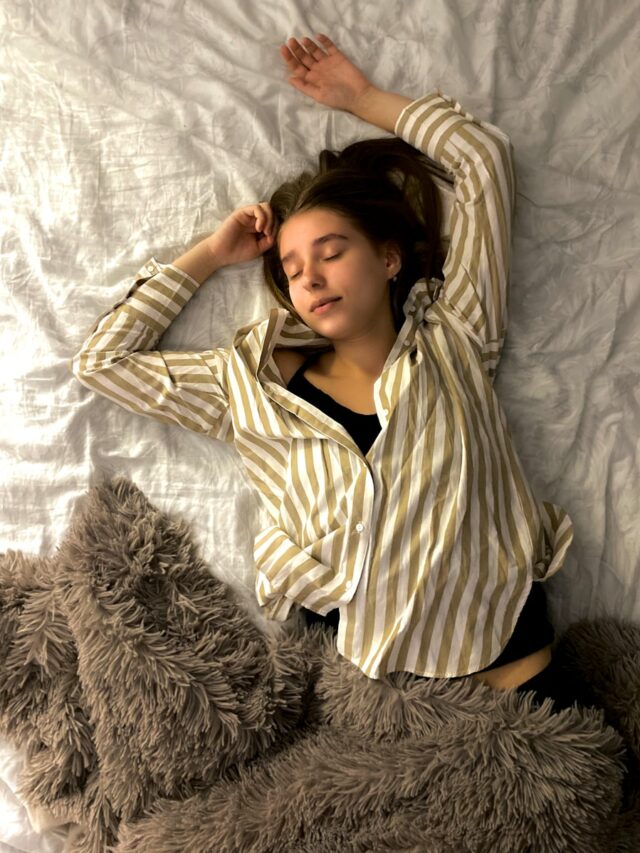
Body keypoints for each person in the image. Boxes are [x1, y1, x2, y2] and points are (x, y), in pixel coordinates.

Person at [70, 34, 598, 715]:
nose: (310, 277)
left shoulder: (457, 336)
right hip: (368, 694)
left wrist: (363, 98)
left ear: (387, 259)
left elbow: (484, 161)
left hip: (511, 666)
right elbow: (102, 362)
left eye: (331, 252)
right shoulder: (248, 387)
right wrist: (207, 254)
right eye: (292, 269)